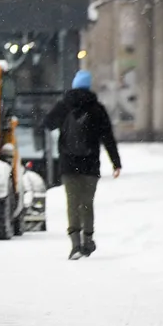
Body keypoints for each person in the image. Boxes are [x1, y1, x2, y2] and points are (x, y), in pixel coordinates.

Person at [43, 69, 122, 260]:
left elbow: (47, 123)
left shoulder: (64, 106)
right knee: (86, 203)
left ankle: (75, 244)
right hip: (90, 164)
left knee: (72, 203)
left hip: (68, 164)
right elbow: (108, 137)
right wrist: (116, 163)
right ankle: (88, 240)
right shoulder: (97, 108)